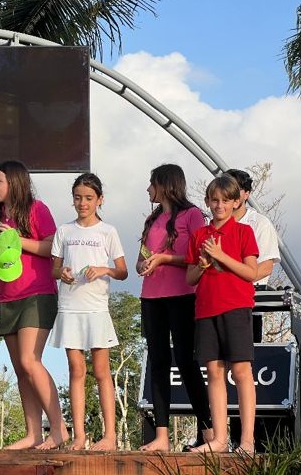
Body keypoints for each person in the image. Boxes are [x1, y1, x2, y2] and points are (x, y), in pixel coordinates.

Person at [0, 160, 67, 450]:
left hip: (36, 293)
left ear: (14, 182)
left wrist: (16, 239)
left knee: (31, 361)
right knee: (20, 368)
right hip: (7, 297)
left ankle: (59, 428)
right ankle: (33, 433)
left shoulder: (36, 209)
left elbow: (51, 248)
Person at [48, 172, 128, 451]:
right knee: (76, 368)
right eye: (78, 198)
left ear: (99, 200)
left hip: (96, 308)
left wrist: (103, 269)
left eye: (89, 198)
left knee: (102, 370)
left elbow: (122, 271)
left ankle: (109, 436)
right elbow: (54, 268)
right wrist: (64, 274)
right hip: (70, 306)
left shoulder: (108, 232)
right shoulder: (64, 231)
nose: (83, 203)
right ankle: (79, 435)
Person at [136, 164, 212, 452]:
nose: (147, 190)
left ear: (166, 184)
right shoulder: (152, 219)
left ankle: (208, 431)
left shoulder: (192, 215)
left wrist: (166, 259)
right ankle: (162, 436)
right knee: (157, 362)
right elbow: (141, 259)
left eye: (151, 183)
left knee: (185, 361)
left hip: (182, 295)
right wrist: (145, 263)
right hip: (151, 297)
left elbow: (198, 255)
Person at [186, 175, 258, 454]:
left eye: (225, 201)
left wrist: (222, 256)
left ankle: (248, 441)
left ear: (236, 202)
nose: (219, 205)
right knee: (214, 373)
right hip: (205, 310)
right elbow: (190, 277)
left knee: (241, 372)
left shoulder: (243, 233)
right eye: (214, 200)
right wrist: (203, 264)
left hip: (236, 307)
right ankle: (218, 439)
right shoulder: (198, 236)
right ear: (207, 201)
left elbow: (251, 272)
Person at [225, 169, 281, 339]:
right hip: (213, 305)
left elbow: (265, 267)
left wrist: (234, 280)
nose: (229, 193)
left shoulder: (260, 223)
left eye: (235, 189)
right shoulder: (209, 224)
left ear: (246, 194)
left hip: (248, 306)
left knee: (244, 363)